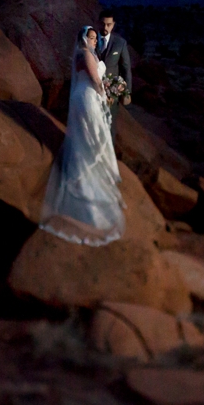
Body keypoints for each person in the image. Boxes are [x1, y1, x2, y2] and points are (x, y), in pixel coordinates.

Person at [38, 25, 126, 245]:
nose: (95, 41)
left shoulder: (88, 53)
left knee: (89, 137)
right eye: (92, 37)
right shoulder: (85, 54)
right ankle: (84, 194)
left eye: (96, 38)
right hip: (87, 98)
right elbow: (95, 80)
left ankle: (88, 186)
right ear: (84, 39)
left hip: (87, 97)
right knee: (90, 137)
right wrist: (106, 93)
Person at [96, 10, 132, 105]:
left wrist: (127, 92)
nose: (105, 27)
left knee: (111, 118)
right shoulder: (90, 40)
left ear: (113, 24)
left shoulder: (120, 43)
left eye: (109, 24)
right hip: (93, 90)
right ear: (98, 22)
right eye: (103, 24)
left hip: (112, 92)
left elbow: (126, 68)